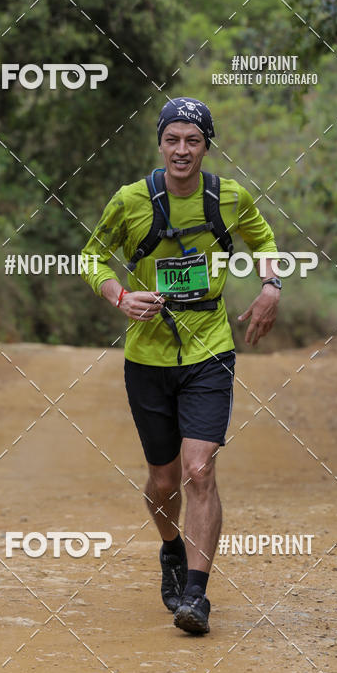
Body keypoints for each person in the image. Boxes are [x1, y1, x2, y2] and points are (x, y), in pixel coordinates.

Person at [79, 96, 280, 634]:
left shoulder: (228, 197)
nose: (183, 150)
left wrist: (270, 285)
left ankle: (196, 595)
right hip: (147, 355)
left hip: (210, 349)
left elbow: (264, 241)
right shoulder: (130, 201)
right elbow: (91, 256)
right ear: (161, 144)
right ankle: (171, 548)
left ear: (206, 146)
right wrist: (120, 296)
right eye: (174, 139)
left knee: (200, 469)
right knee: (163, 480)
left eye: (193, 140)